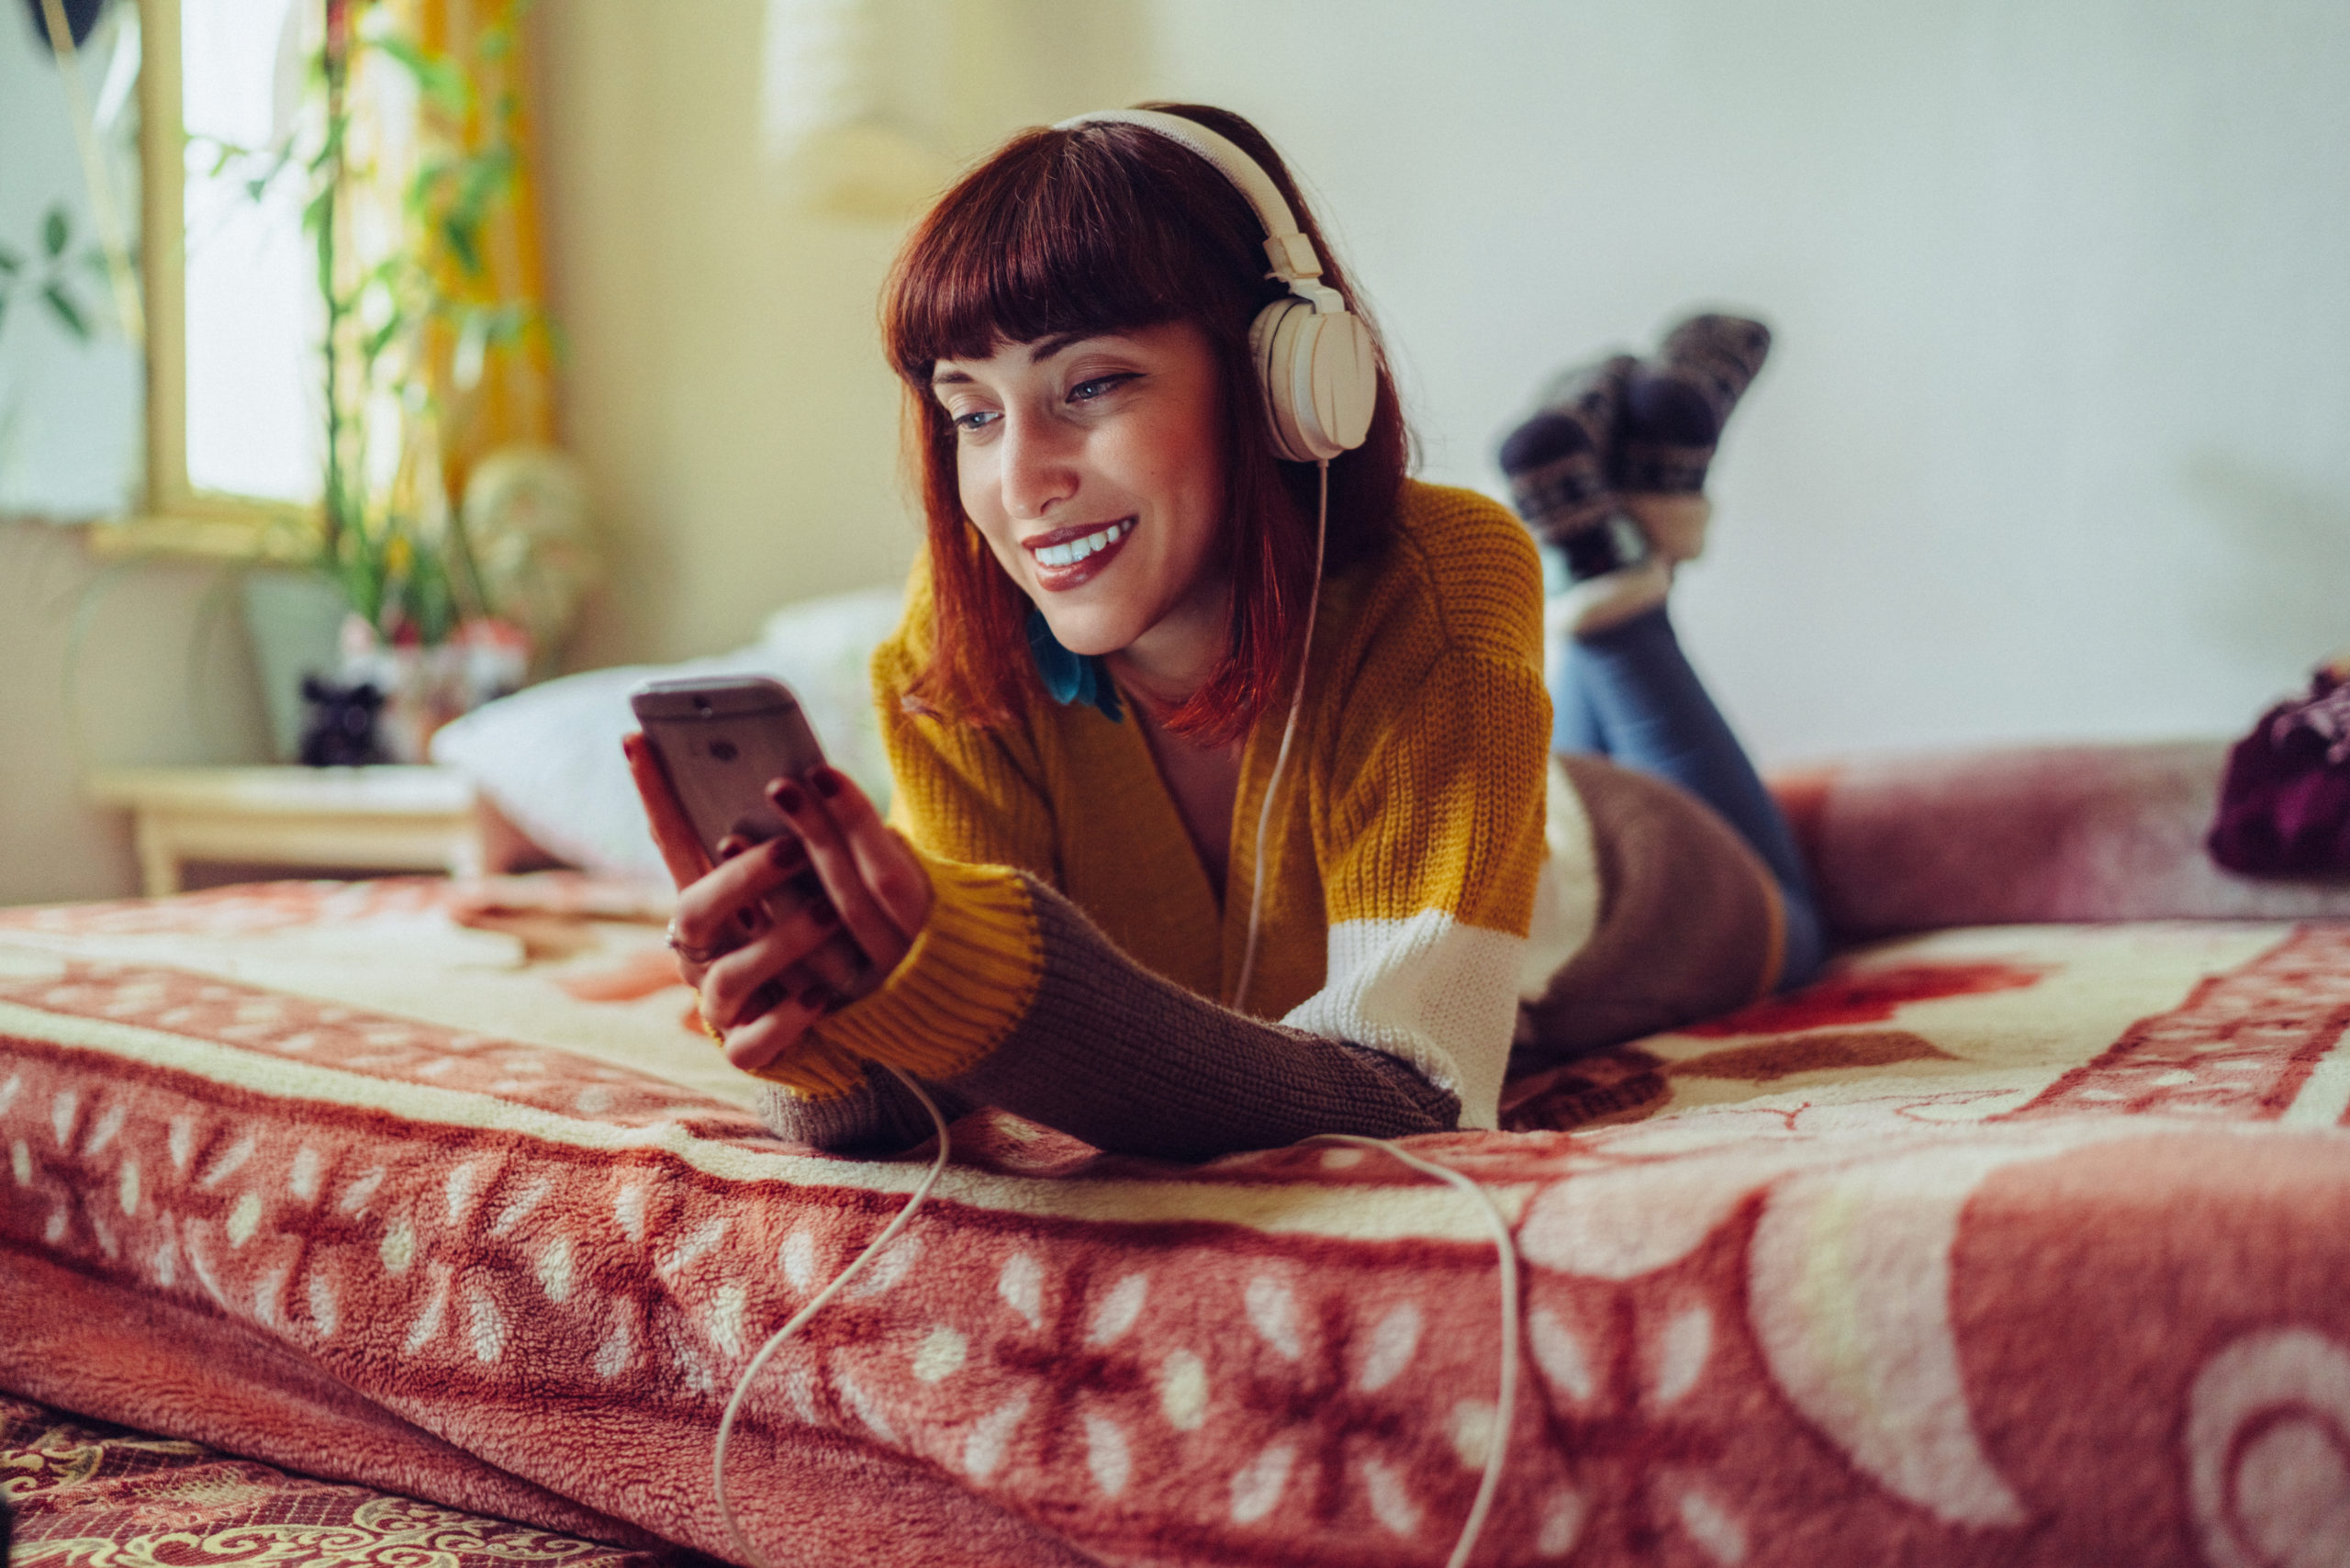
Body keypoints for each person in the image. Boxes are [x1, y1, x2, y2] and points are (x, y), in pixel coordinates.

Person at [626, 103, 1823, 1161]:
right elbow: (950, 1077)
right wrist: (826, 1036)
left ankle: (1618, 593)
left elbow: (1416, 1099)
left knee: (1803, 908)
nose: (1022, 478)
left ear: (1282, 382)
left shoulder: (1442, 580)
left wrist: (997, 978)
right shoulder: (958, 644)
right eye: (972, 412)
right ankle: (1625, 539)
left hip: (1642, 876)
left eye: (1090, 385)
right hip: (1488, 771)